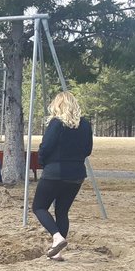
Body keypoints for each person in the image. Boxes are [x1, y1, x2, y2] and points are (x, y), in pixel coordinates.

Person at [34, 91, 93, 260]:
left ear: (57, 106)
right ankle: (57, 251)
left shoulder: (57, 123)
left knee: (39, 207)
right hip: (76, 174)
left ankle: (56, 236)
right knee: (62, 211)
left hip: (55, 171)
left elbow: (45, 146)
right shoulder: (85, 125)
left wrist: (43, 163)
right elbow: (88, 150)